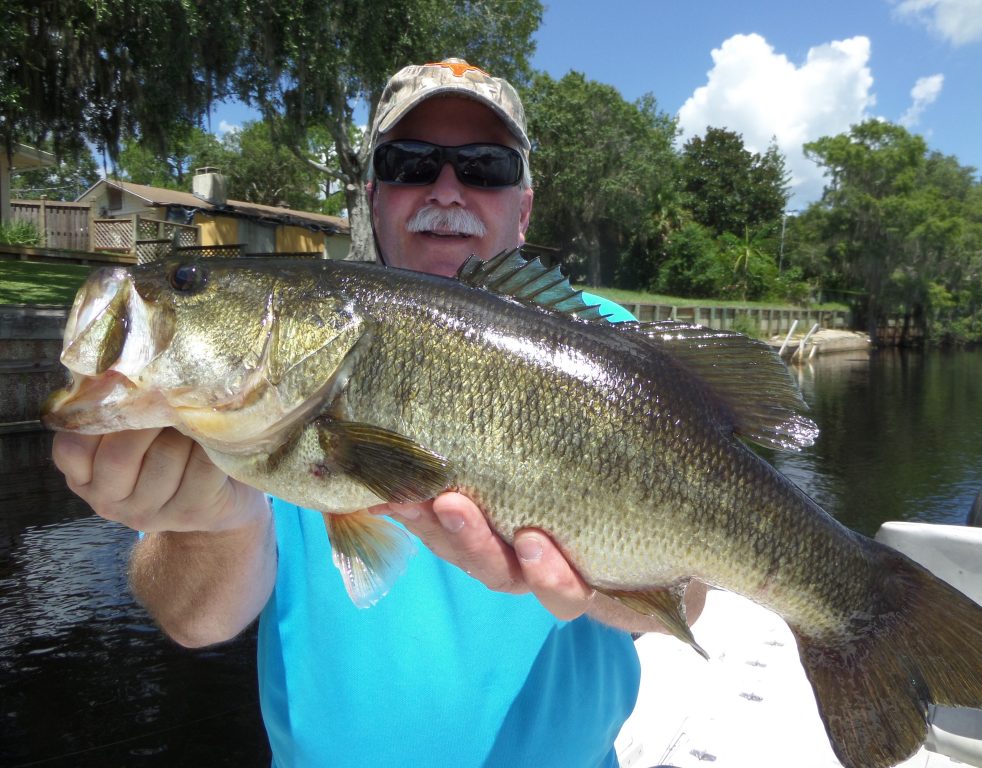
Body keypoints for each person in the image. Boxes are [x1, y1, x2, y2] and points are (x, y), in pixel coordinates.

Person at [52, 58, 706, 767]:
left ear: (523, 205)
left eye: (485, 166)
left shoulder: (610, 351)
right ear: (374, 197)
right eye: (410, 163)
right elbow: (194, 619)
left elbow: (693, 596)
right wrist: (212, 523)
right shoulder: (261, 397)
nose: (447, 189)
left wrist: (605, 586)